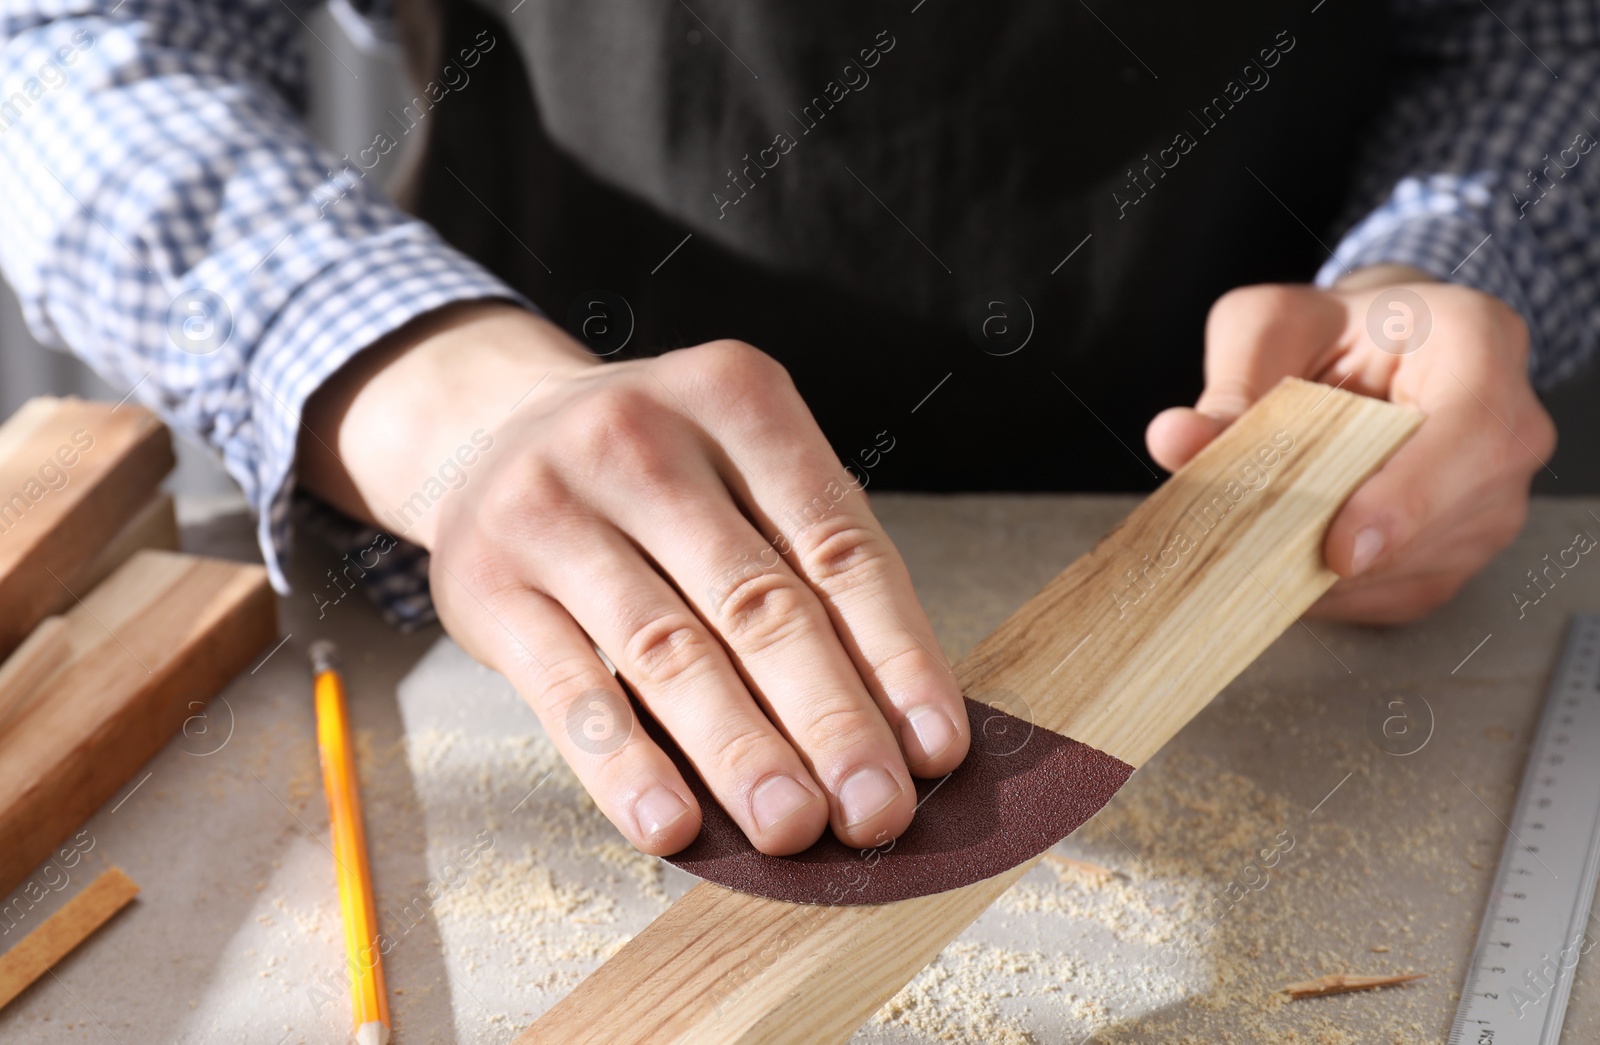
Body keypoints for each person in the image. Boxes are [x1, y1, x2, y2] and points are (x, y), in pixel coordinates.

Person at [0, 0, 1586, 861]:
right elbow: (66, 43)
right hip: (561, 558)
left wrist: (1440, 267)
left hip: (1310, 555)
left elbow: (1536, 37)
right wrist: (427, 383)